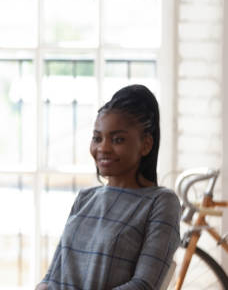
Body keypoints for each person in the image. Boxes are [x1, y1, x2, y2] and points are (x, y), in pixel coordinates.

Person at [37, 84, 181, 289]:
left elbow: (144, 285)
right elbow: (52, 276)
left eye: (118, 139)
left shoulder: (161, 202)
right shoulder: (85, 198)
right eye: (97, 138)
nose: (103, 148)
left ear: (146, 144)